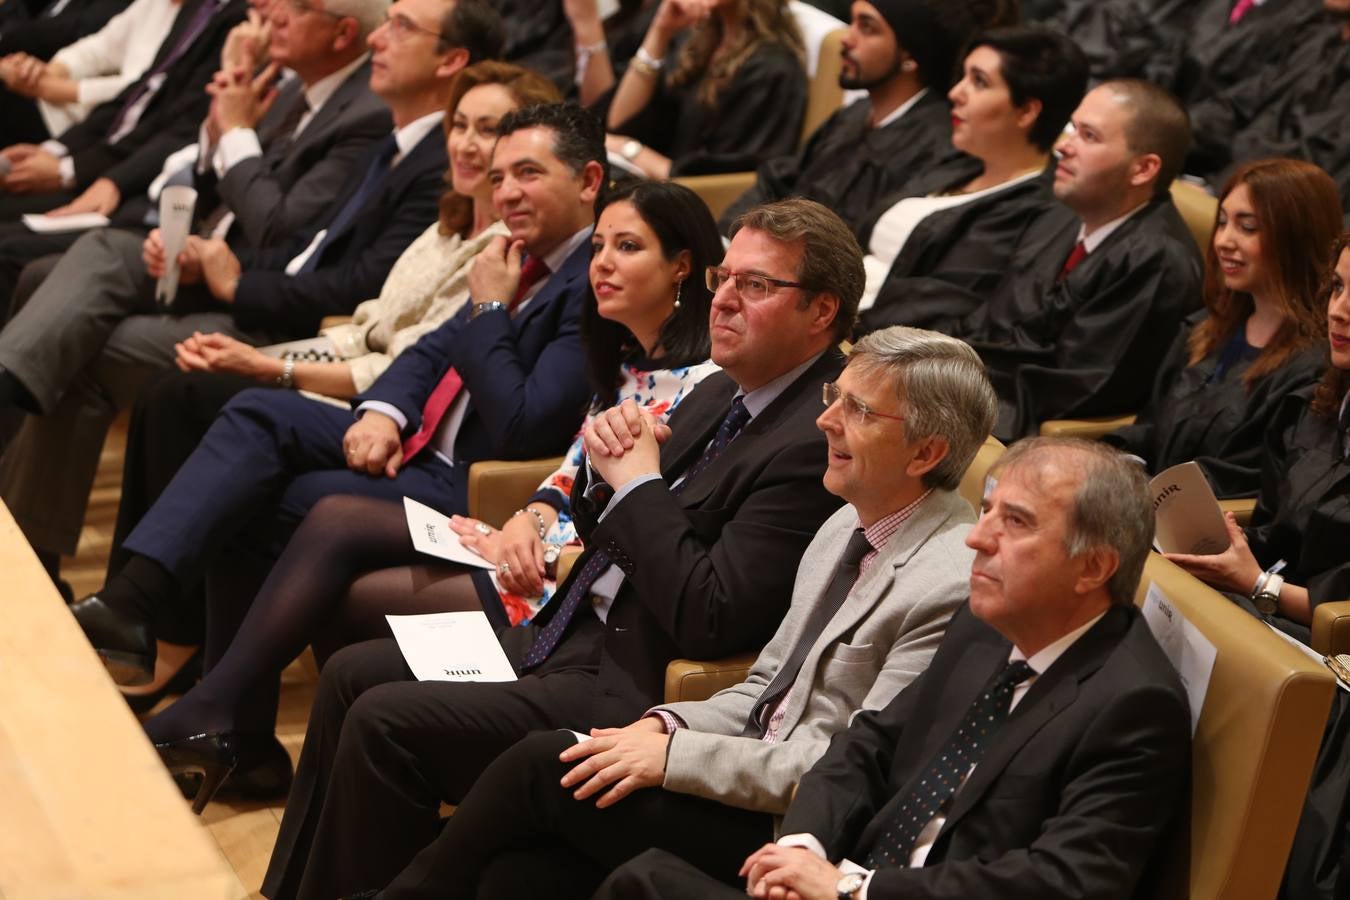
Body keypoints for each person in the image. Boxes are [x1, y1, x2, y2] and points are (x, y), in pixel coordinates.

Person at [258, 197, 859, 900]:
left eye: (754, 286)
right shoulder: (725, 389)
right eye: (724, 277)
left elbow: (711, 615)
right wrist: (600, 482)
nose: (721, 300)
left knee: (387, 720)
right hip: (562, 632)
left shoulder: (817, 439)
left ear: (821, 311)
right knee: (354, 673)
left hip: (630, 679)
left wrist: (634, 487)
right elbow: (623, 524)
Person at [136, 178, 723, 800]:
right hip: (527, 548)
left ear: (682, 266)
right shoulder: (629, 360)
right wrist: (529, 515)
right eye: (599, 246)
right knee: (322, 515)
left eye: (626, 247)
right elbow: (569, 469)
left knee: (343, 565)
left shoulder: (701, 387)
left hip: (569, 588)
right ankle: (236, 723)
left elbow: (632, 507)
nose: (601, 263)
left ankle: (259, 730)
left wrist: (544, 550)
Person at [366, 326, 999, 900]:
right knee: (520, 874)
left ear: (924, 454)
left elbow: (851, 769)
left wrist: (673, 759)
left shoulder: (946, 584)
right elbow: (762, 687)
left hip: (798, 826)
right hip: (736, 763)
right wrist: (665, 725)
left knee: (542, 764)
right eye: (835, 394)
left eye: (857, 410)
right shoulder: (844, 524)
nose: (825, 420)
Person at [67, 101, 603, 691]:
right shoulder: (518, 258)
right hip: (415, 442)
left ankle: (219, 710)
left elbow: (521, 426)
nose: (507, 194)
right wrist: (381, 413)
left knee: (265, 494)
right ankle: (136, 604)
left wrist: (490, 310)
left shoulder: (592, 281)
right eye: (499, 179)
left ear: (588, 180)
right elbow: (424, 354)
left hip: (473, 480)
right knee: (252, 412)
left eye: (528, 173)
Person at [0, 0, 501, 582]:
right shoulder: (381, 129)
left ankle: (83, 579)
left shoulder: (409, 143)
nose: (379, 39)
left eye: (400, 27)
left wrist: (234, 277)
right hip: (273, 293)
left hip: (311, 333)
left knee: (103, 340)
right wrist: (215, 231)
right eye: (384, 20)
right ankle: (39, 558)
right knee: (65, 290)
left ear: (453, 60)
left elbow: (325, 264)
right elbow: (300, 242)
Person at [599, 436, 1192, 900]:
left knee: (643, 883)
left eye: (1015, 522)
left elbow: (1063, 884)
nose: (976, 540)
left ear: (1093, 567)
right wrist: (806, 844)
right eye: (984, 512)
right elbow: (868, 742)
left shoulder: (1133, 704)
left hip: (882, 887)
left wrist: (853, 887)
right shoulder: (987, 623)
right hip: (848, 868)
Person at [0, 0, 396, 313]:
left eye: (295, 5)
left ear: (343, 33)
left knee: (32, 260)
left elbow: (273, 226)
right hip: (170, 214)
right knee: (34, 259)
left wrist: (234, 129)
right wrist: (221, 123)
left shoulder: (355, 109)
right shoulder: (287, 78)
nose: (274, 12)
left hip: (230, 264)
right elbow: (146, 98)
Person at [936, 78, 1203, 439]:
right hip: (974, 379)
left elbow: (1079, 387)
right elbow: (998, 312)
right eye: (1072, 129)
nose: (1063, 147)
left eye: (1089, 136)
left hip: (1016, 428)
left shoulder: (1157, 262)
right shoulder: (1069, 211)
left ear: (1143, 169)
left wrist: (939, 383)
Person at [1104, 158, 1341, 498]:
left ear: (1296, 238)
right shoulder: (1206, 328)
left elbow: (1254, 485)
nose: (1223, 241)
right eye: (1222, 222)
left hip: (1201, 531)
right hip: (1140, 506)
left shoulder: (1313, 370)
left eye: (1247, 228)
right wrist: (1109, 462)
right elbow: (1151, 429)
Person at [1168, 233, 1350, 645]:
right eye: (1338, 288)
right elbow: (1277, 525)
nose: (1339, 311)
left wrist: (1259, 584)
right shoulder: (1314, 407)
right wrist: (1228, 545)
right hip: (1265, 610)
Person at [854, 25, 1087, 325]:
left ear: (1026, 111)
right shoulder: (961, 163)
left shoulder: (1036, 211)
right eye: (963, 76)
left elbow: (933, 310)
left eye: (979, 81)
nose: (955, 93)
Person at [717, 0, 975, 236]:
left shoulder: (938, 143)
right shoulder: (854, 114)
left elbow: (867, 236)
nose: (847, 39)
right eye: (852, 23)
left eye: (867, 28)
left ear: (910, 56)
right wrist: (729, 236)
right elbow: (778, 180)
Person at [0, 0, 249, 219]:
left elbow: (155, 106)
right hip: (97, 139)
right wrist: (43, 74)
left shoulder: (231, 18)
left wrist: (53, 89)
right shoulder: (177, 7)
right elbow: (104, 55)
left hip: (120, 157)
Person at [589, 0, 807, 178]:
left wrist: (631, 150)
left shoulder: (772, 69)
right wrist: (661, 29)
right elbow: (618, 122)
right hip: (649, 184)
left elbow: (719, 182)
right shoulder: (698, 38)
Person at [0, 0, 178, 142]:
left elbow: (147, 87)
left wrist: (49, 87)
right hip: (62, 103)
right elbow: (101, 46)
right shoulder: (154, 3)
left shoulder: (198, 22)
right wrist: (46, 72)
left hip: (99, 129)